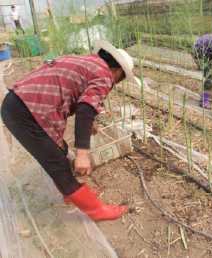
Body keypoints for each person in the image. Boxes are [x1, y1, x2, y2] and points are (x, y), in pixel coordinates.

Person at [1, 39, 136, 221]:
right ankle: (96, 211)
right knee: (56, 161)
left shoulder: (88, 62)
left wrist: (90, 124)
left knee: (59, 150)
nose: (116, 84)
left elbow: (70, 91)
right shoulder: (105, 75)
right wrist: (82, 154)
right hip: (26, 111)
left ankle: (69, 194)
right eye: (120, 80)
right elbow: (86, 108)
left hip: (19, 102)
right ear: (118, 71)